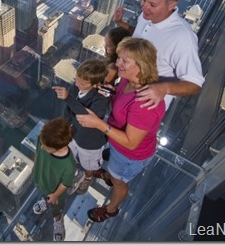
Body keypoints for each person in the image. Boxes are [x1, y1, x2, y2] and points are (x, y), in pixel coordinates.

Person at [76, 37, 166, 222]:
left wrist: (98, 124)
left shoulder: (144, 104)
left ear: (141, 66)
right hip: (117, 145)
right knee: (114, 172)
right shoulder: (128, 81)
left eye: (124, 61)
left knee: (120, 182)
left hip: (129, 155)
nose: (117, 63)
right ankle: (109, 175)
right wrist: (111, 91)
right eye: (118, 58)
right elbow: (120, 101)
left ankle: (111, 209)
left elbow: (131, 143)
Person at [113, 0, 204, 109]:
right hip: (126, 88)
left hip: (146, 106)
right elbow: (141, 37)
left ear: (171, 5)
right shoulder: (146, 16)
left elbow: (195, 84)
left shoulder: (183, 38)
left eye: (152, 4)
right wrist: (121, 23)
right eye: (144, 0)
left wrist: (163, 89)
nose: (144, 7)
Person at [52, 59, 109, 196]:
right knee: (71, 156)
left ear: (96, 84)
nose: (77, 84)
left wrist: (68, 98)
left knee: (89, 165)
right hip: (74, 134)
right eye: (77, 80)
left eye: (82, 83)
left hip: (90, 143)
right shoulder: (76, 87)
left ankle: (88, 177)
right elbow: (69, 109)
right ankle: (77, 173)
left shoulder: (101, 99)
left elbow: (87, 118)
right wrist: (64, 125)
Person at [32, 117, 77, 241]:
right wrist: (35, 166)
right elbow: (38, 152)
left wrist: (56, 195)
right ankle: (46, 201)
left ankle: (58, 220)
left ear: (59, 147)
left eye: (46, 147)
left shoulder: (68, 164)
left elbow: (65, 183)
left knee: (55, 207)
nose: (42, 147)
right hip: (41, 179)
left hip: (54, 190)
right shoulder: (44, 140)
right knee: (45, 195)